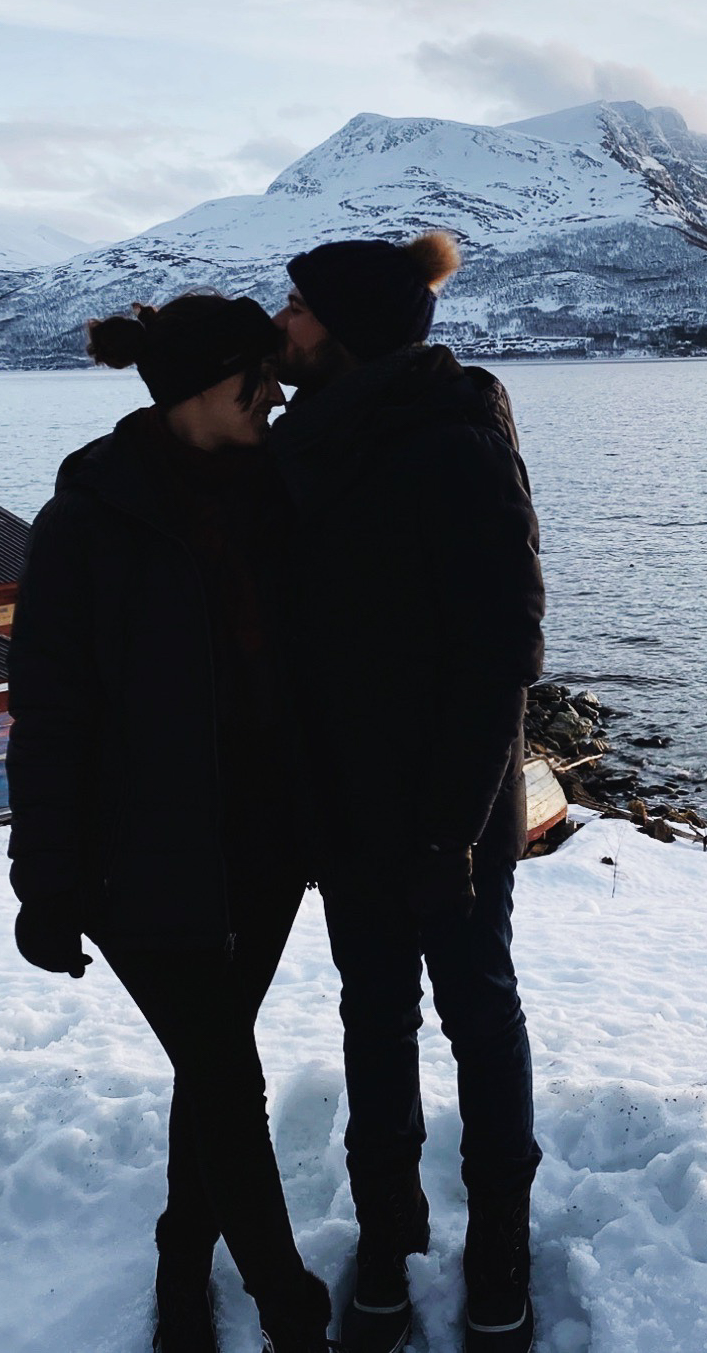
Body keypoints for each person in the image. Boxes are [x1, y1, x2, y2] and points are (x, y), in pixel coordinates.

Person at [6, 292, 333, 1353]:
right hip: (136, 858)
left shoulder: (283, 492)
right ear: (197, 387)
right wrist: (45, 883)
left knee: (214, 1061)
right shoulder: (85, 525)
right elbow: (49, 710)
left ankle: (183, 1258)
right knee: (228, 1077)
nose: (276, 393)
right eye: (257, 377)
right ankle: (286, 1301)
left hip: (265, 846)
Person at [271, 233, 545, 1353]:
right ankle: (385, 1248)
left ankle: (500, 1267)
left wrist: (449, 832)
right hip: (343, 796)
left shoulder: (453, 440)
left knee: (476, 1009)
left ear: (341, 326)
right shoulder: (304, 442)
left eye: (294, 308)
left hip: (452, 801)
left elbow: (501, 655)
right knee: (372, 1020)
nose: (278, 323)